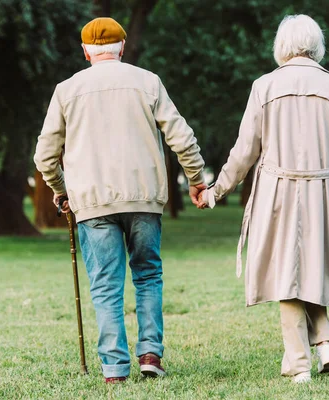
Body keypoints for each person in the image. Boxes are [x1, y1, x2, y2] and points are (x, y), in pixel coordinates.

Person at [33, 17, 206, 383]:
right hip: (144, 198)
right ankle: (150, 355)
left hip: (92, 202)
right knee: (147, 274)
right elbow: (182, 137)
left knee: (105, 284)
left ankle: (114, 368)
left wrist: (61, 189)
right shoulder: (148, 82)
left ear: (85, 52)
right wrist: (196, 179)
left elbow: (45, 156)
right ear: (122, 48)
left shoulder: (67, 89)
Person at [198, 14, 329, 383]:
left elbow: (244, 151)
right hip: (322, 190)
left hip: (278, 192)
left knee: (287, 274)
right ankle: (326, 344)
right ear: (316, 45)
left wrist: (216, 190)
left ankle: (298, 364)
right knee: (311, 266)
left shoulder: (264, 86)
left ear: (282, 45)